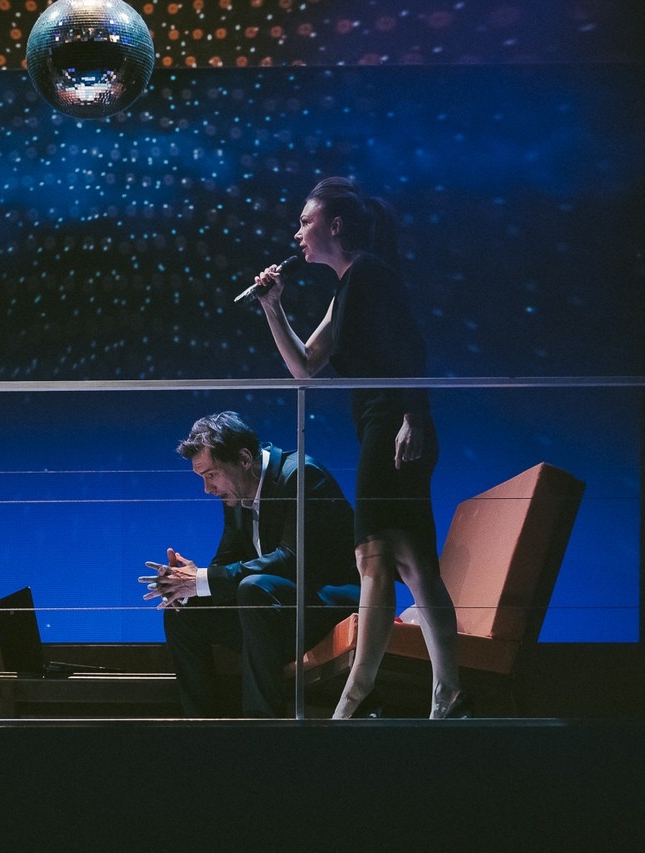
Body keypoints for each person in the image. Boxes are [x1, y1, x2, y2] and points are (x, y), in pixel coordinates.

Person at [247, 176, 468, 719]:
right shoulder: (346, 288)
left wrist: (415, 416)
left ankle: (355, 697)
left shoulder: (370, 273)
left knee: (376, 557)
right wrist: (273, 307)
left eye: (306, 221)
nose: (297, 232)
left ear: (335, 225)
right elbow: (305, 366)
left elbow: (410, 345)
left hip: (394, 425)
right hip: (381, 426)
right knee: (409, 561)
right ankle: (446, 694)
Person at [140, 412, 359, 717]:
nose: (207, 488)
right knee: (183, 611)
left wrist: (203, 579)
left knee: (253, 588)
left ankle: (260, 728)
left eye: (211, 475)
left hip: (325, 605)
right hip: (271, 611)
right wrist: (187, 581)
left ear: (244, 458)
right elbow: (227, 560)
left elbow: (292, 559)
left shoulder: (302, 476)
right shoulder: (236, 491)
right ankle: (200, 726)